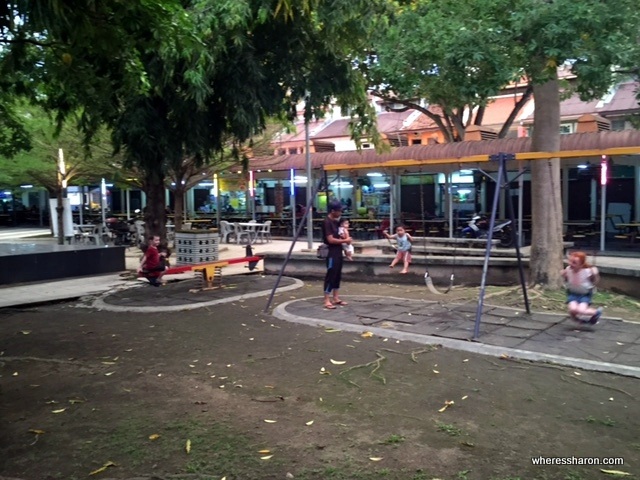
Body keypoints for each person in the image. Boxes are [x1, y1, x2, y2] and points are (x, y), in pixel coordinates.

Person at [321, 200, 352, 309]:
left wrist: (345, 242)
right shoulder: (327, 222)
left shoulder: (336, 222)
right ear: (333, 211)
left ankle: (336, 297)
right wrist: (345, 241)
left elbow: (340, 235)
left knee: (338, 274)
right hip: (331, 251)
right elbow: (330, 240)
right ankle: (326, 299)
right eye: (339, 211)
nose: (340, 213)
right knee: (331, 274)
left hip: (338, 251)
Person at [561, 251, 603, 324]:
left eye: (574, 263)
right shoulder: (568, 269)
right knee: (573, 309)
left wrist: (595, 274)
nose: (571, 264)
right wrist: (564, 275)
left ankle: (596, 312)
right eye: (570, 261)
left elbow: (595, 282)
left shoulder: (587, 271)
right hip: (573, 294)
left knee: (581, 310)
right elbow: (568, 280)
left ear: (581, 265)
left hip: (584, 295)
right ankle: (580, 320)